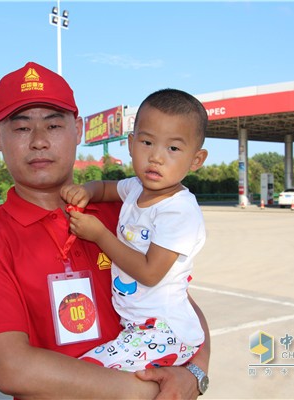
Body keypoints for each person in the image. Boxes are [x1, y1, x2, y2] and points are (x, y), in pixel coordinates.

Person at [0, 61, 210, 399]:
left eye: (53, 125)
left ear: (77, 129)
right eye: (22, 128)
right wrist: (147, 393)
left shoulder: (128, 212)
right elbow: (13, 369)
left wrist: (195, 373)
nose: (39, 141)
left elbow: (177, 298)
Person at [60, 89, 209, 372]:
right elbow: (106, 188)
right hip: (137, 327)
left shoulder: (179, 210)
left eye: (173, 148)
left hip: (164, 331)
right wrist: (86, 190)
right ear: (130, 144)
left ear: (196, 160)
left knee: (86, 372)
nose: (156, 157)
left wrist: (99, 235)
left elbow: (150, 273)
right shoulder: (136, 188)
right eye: (147, 142)